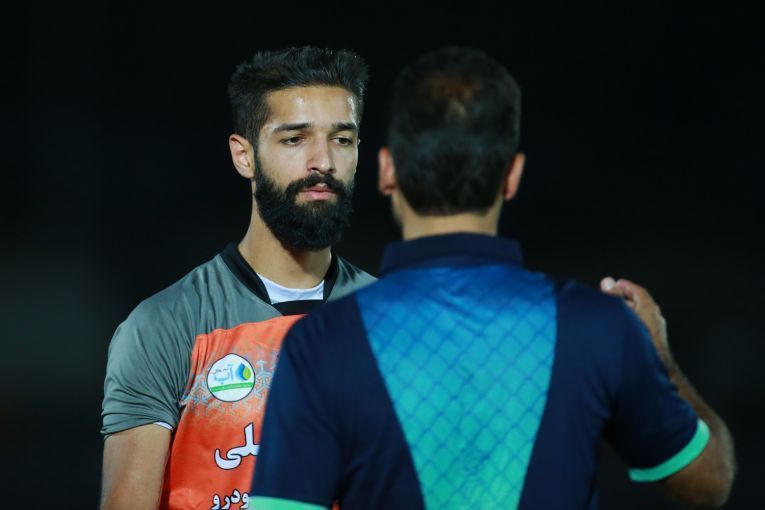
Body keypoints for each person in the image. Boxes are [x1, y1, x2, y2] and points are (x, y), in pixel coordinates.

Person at [249, 46, 735, 509]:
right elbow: (711, 481)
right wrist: (659, 356)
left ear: (386, 170)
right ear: (512, 176)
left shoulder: (320, 343)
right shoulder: (601, 328)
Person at [99, 46, 375, 510]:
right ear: (244, 156)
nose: (323, 161)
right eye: (294, 139)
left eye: (341, 139)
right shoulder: (166, 326)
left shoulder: (396, 326)